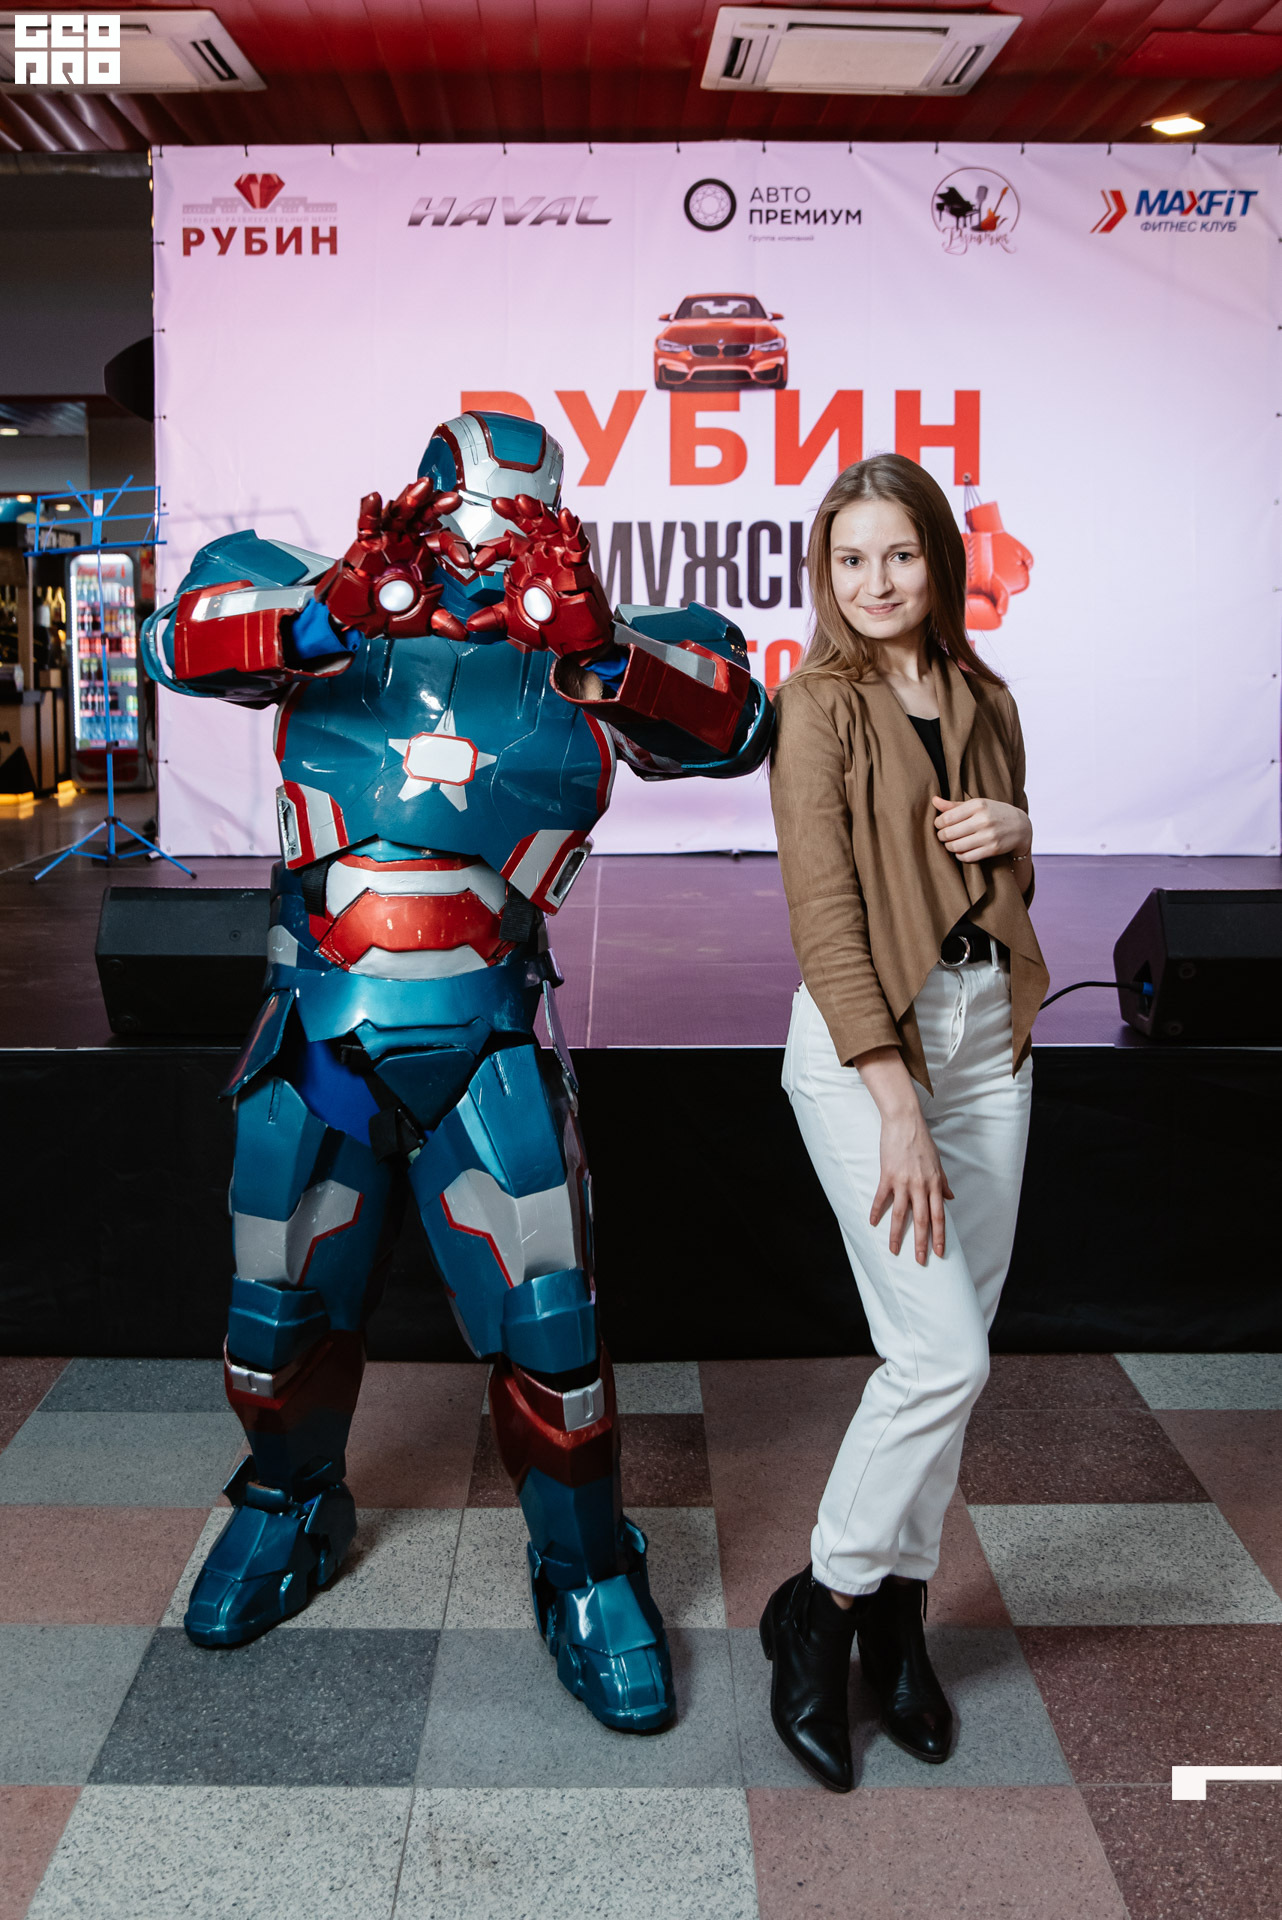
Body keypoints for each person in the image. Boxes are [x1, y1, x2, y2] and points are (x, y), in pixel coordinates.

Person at [140, 410, 772, 1736]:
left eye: (513, 524)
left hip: (489, 1037)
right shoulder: (311, 607)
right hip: (319, 1031)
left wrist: (599, 651)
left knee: (552, 1327)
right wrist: (327, 611)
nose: (479, 555)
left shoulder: (583, 646)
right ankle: (289, 1503)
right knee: (274, 1310)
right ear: (418, 503)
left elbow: (733, 721)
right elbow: (177, 641)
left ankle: (586, 1569)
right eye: (462, 522)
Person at [760, 452, 1048, 1790]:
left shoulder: (985, 696)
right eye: (849, 559)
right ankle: (822, 1607)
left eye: (899, 554)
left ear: (938, 557)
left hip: (989, 1042)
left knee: (954, 1357)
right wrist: (894, 1102)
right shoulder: (814, 704)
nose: (875, 582)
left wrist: (1017, 826)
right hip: (870, 1050)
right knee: (939, 1356)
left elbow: (998, 876)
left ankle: (897, 1619)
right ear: (825, 574)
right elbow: (823, 912)